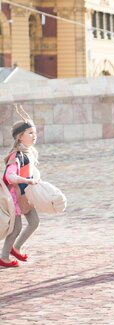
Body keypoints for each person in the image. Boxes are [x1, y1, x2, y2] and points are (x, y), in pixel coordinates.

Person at [0, 106, 40, 268]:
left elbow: (31, 171)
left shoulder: (29, 153)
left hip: (26, 196)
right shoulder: (17, 156)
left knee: (34, 221)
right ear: (20, 137)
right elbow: (9, 176)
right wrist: (27, 180)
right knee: (15, 228)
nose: (34, 136)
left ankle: (15, 248)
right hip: (15, 198)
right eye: (30, 133)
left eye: (35, 133)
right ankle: (4, 257)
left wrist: (34, 179)